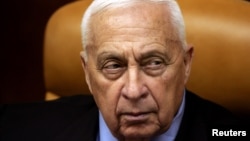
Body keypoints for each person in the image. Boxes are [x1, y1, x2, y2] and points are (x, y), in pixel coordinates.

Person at [1, 0, 246, 141]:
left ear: (185, 64)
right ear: (87, 72)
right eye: (114, 66)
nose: (133, 90)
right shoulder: (16, 127)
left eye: (154, 62)